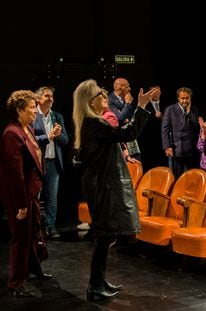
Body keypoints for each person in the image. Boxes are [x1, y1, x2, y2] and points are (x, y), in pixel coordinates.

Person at [72, 79, 155, 301]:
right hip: (103, 187)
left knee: (104, 237)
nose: (104, 97)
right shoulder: (94, 124)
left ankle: (98, 282)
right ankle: (94, 286)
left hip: (100, 185)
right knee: (103, 235)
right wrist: (141, 106)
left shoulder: (92, 123)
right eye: (100, 94)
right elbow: (127, 134)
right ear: (91, 101)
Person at [0, 90, 53, 297]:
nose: (35, 111)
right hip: (19, 196)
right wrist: (22, 204)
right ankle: (16, 282)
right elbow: (15, 174)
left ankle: (34, 268)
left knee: (33, 233)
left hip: (31, 192)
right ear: (19, 110)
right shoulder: (11, 134)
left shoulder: (27, 128)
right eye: (32, 107)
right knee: (21, 238)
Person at [32, 86, 68, 239]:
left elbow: (66, 140)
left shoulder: (57, 117)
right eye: (47, 96)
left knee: (52, 197)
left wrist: (58, 135)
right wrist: (49, 136)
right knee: (35, 196)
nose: (50, 99)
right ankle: (34, 228)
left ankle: (51, 227)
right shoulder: (32, 116)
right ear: (39, 99)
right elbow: (30, 140)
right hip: (37, 163)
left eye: (52, 96)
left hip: (53, 163)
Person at [161, 87, 199, 180]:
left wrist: (189, 113)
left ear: (190, 98)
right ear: (178, 98)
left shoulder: (194, 109)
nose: (185, 100)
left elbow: (197, 127)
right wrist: (167, 146)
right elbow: (164, 128)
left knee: (191, 177)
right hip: (176, 149)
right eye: (182, 98)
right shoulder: (170, 109)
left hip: (191, 150)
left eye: (187, 98)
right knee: (177, 177)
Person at [108, 77, 141, 160]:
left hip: (131, 137)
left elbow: (132, 116)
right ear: (120, 88)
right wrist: (127, 104)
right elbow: (120, 117)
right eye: (127, 86)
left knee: (137, 161)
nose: (130, 89)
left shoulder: (128, 97)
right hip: (120, 139)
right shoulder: (109, 100)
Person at [137, 85, 166, 171]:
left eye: (158, 90)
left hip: (162, 142)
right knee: (148, 167)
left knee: (162, 167)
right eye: (153, 91)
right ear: (150, 93)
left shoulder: (167, 105)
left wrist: (162, 117)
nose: (156, 92)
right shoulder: (144, 105)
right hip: (147, 142)